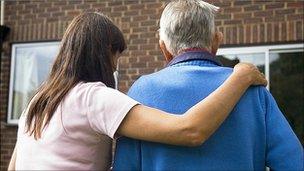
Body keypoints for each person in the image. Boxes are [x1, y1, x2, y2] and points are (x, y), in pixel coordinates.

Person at [8, 12, 267, 170]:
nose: (116, 65)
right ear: (105, 52)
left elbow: (14, 166)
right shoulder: (93, 97)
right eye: (116, 55)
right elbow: (190, 130)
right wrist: (240, 77)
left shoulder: (37, 102)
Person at [113, 0, 303, 170]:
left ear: (164, 48)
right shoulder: (252, 90)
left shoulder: (142, 91)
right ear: (216, 41)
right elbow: (293, 163)